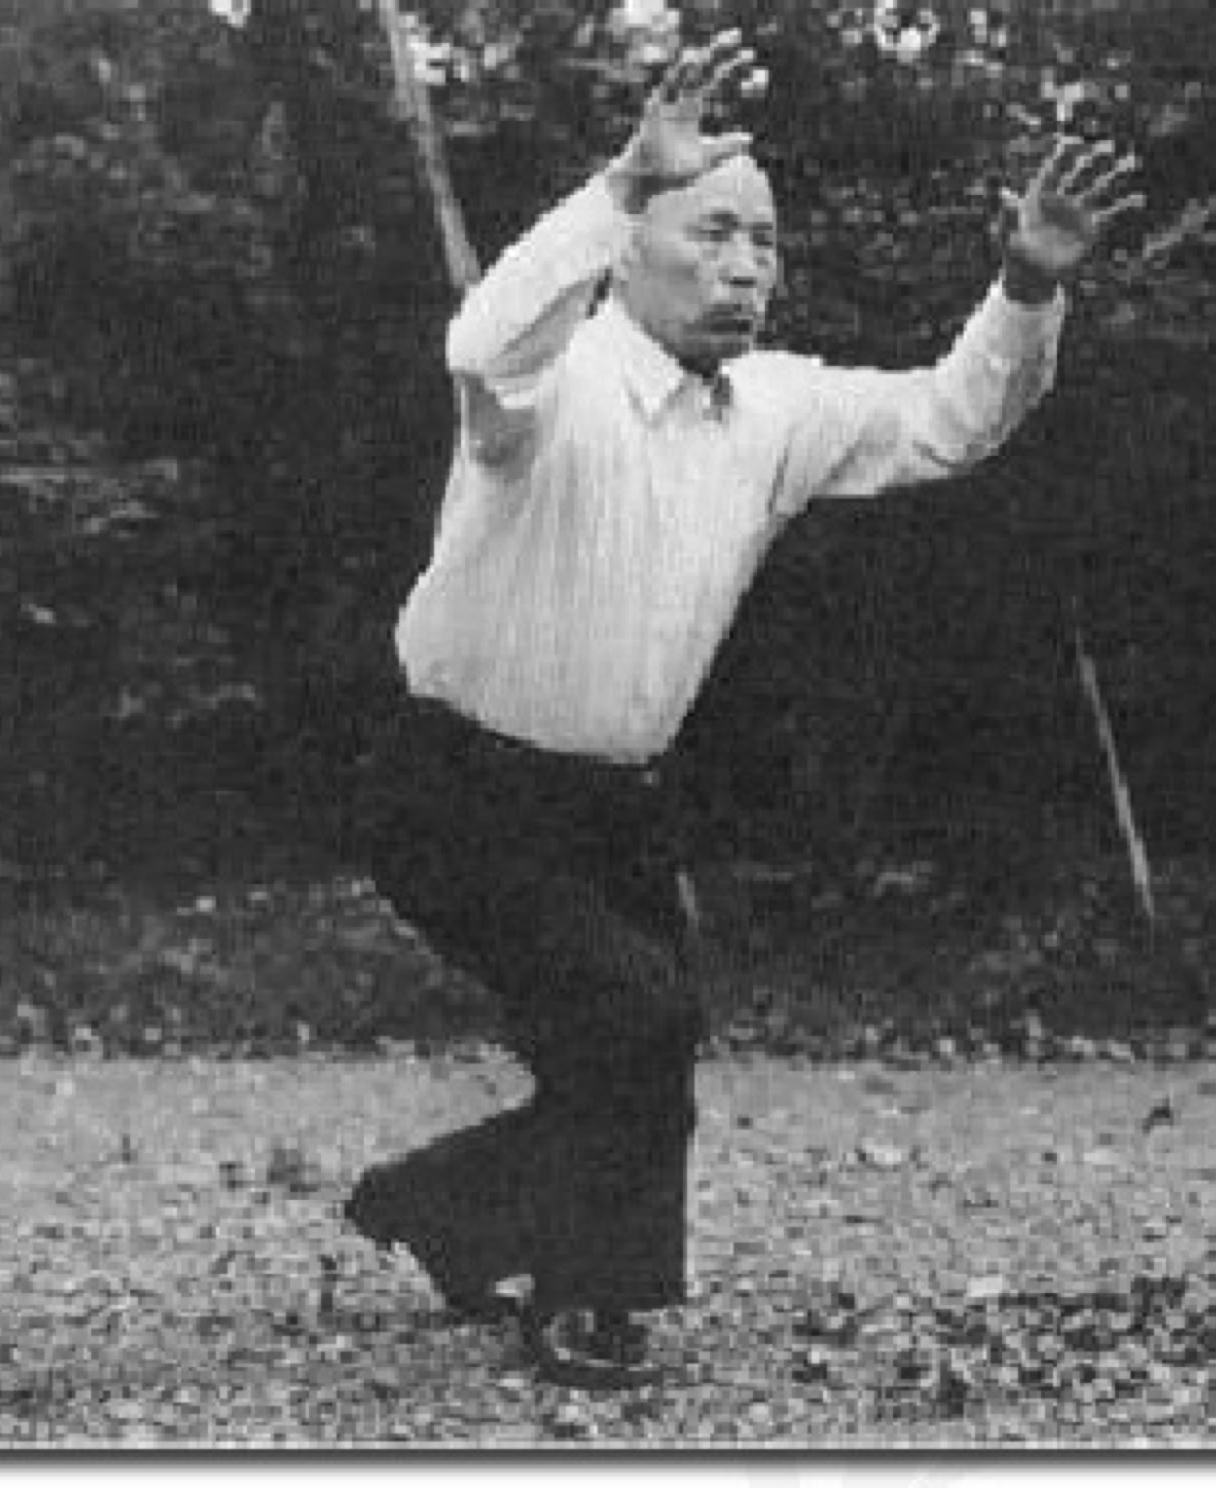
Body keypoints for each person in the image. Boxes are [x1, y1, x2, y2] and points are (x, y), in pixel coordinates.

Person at [346, 28, 1144, 1387]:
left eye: (765, 245)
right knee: (634, 1020)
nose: (745, 266)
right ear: (630, 243)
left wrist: (1024, 285)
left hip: (612, 800)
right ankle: (586, 1304)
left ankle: (444, 1216)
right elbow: (480, 335)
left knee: (644, 1052)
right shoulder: (546, 387)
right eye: (712, 230)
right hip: (451, 785)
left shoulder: (774, 411)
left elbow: (949, 423)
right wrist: (615, 177)